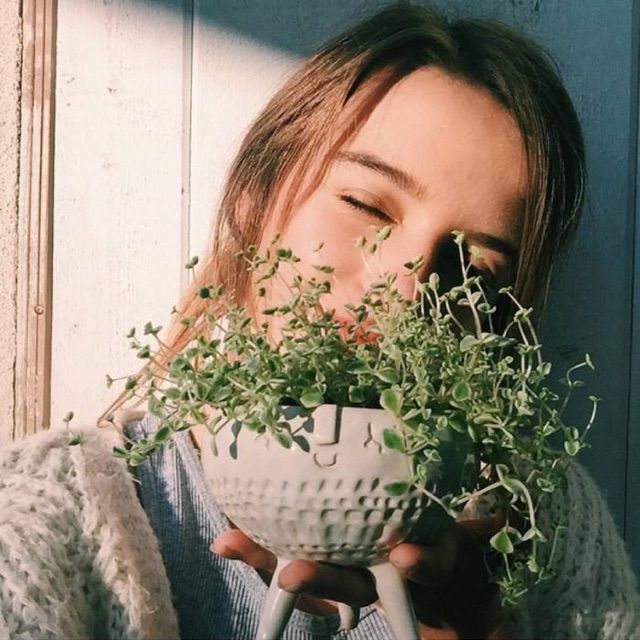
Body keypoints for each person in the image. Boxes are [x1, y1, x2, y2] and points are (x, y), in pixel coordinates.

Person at [1, 3, 638, 640]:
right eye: (365, 204)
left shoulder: (546, 523)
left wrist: (478, 629)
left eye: (477, 266)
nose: (406, 287)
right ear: (256, 198)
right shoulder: (51, 512)